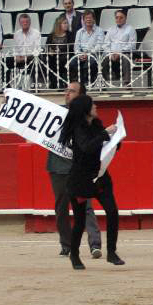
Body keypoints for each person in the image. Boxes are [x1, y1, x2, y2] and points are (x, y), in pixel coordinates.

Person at [59, 94, 124, 270]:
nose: (96, 107)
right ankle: (74, 254)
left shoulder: (95, 124)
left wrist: (117, 140)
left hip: (100, 177)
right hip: (81, 181)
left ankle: (111, 252)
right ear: (85, 110)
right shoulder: (78, 128)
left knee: (112, 211)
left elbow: (106, 144)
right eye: (92, 105)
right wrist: (105, 134)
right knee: (80, 221)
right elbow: (87, 147)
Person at [47, 81, 102, 258]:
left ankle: (95, 244)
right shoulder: (53, 113)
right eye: (66, 90)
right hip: (58, 166)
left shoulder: (88, 116)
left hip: (78, 167)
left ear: (81, 96)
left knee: (85, 206)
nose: (67, 93)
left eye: (72, 91)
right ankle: (67, 245)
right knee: (61, 208)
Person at [102, 10, 137, 86]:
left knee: (126, 57)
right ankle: (104, 82)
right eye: (117, 18)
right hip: (111, 53)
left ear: (125, 18)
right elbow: (105, 45)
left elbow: (132, 45)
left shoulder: (130, 29)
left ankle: (127, 83)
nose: (118, 20)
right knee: (102, 59)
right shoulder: (110, 29)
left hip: (124, 53)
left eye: (121, 18)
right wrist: (111, 53)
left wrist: (119, 52)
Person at [69, 10, 104, 84]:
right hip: (81, 54)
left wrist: (89, 53)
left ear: (94, 19)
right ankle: (79, 82)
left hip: (94, 54)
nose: (88, 20)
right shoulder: (79, 32)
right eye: (86, 18)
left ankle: (88, 82)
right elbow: (76, 46)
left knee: (89, 63)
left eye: (90, 18)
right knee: (72, 63)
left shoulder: (99, 30)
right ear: (83, 20)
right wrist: (79, 54)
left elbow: (99, 45)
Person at [10, 14, 42, 86]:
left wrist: (26, 57)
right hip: (19, 58)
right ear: (20, 23)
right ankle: (6, 85)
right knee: (5, 61)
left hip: (31, 57)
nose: (25, 23)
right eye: (23, 22)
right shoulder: (17, 34)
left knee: (35, 60)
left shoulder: (36, 33)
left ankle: (34, 85)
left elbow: (37, 49)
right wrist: (17, 56)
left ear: (30, 22)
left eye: (26, 22)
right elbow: (15, 48)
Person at [45, 16, 74, 89]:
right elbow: (47, 46)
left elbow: (71, 46)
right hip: (54, 56)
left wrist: (60, 51)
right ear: (59, 25)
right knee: (47, 59)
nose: (66, 25)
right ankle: (54, 83)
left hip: (65, 55)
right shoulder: (51, 35)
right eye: (64, 23)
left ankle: (61, 83)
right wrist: (51, 51)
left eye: (67, 23)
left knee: (63, 59)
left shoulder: (70, 34)